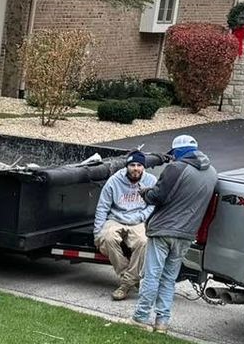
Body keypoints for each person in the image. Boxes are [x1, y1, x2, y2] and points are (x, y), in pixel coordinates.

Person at [134, 134, 219, 333]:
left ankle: (140, 317)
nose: (172, 158)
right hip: (187, 233)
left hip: (164, 229)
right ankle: (162, 323)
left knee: (151, 275)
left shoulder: (176, 168)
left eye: (174, 154)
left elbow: (158, 196)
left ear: (178, 152)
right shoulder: (212, 172)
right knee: (169, 278)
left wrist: (144, 192)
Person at [92, 151, 153, 300]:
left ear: (144, 167)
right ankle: (131, 279)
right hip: (116, 218)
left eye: (139, 165)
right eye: (132, 165)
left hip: (138, 220)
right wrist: (97, 232)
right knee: (106, 238)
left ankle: (125, 285)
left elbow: (153, 204)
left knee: (144, 242)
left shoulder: (151, 181)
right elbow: (102, 207)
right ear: (127, 166)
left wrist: (142, 216)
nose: (136, 168)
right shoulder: (114, 181)